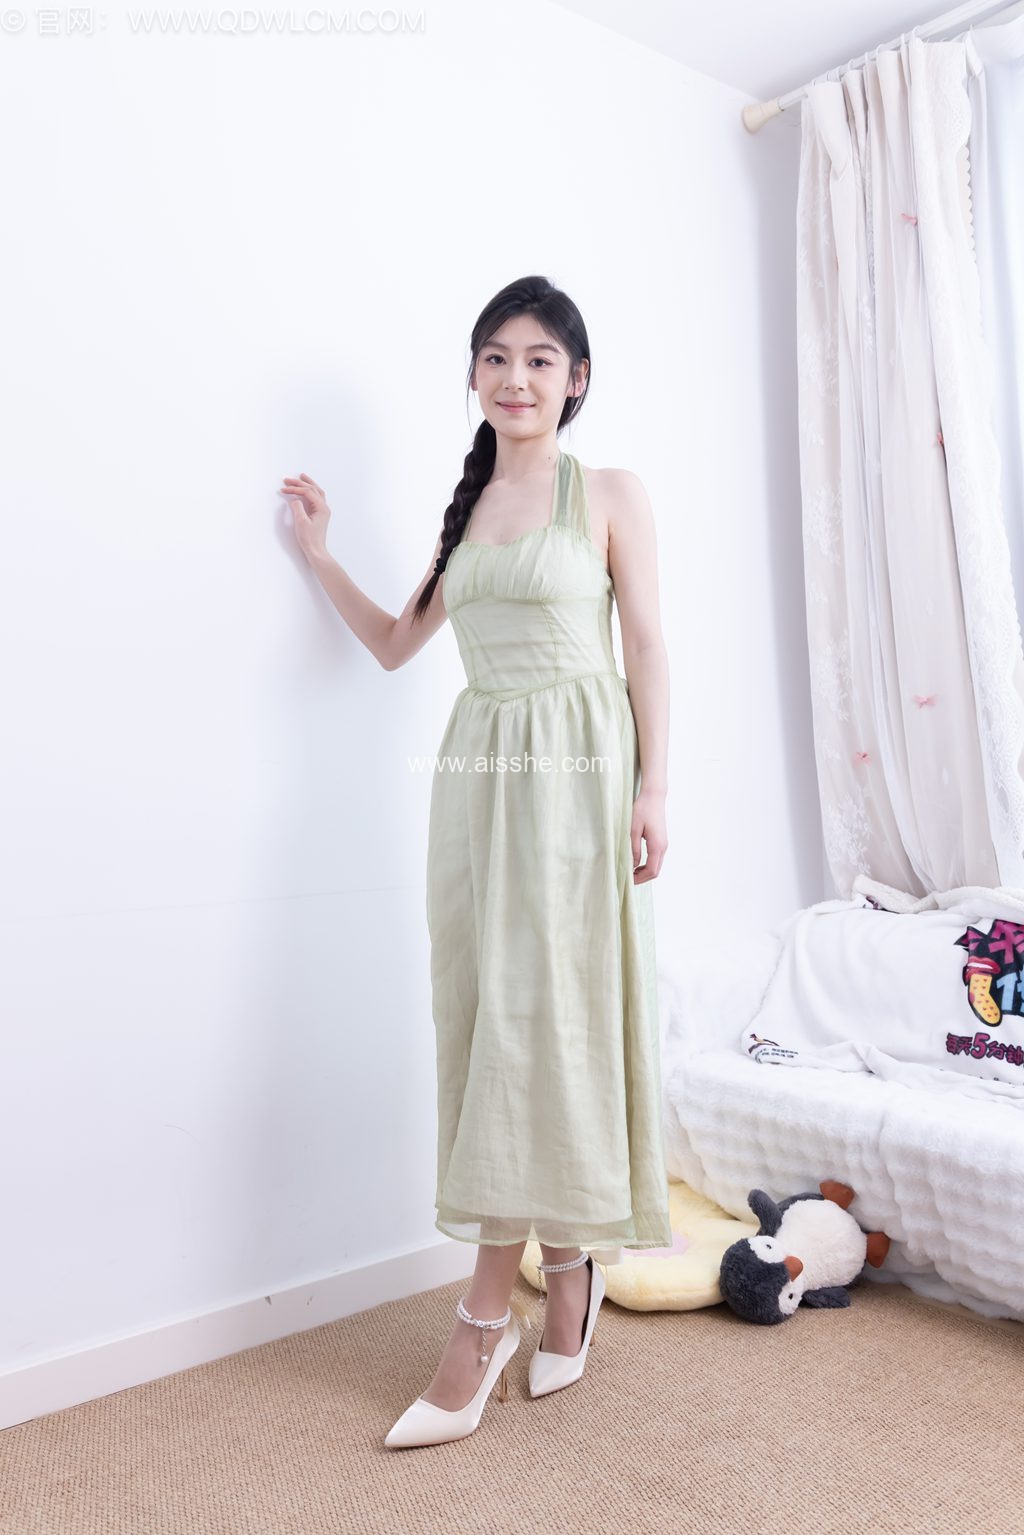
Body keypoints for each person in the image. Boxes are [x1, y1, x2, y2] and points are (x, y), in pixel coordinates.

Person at [279, 274, 671, 1449]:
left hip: (579, 776)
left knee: (546, 1025)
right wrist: (320, 556)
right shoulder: (468, 513)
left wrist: (655, 786)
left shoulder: (607, 492)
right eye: (495, 356)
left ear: (577, 378)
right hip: (482, 783)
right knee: (496, 1015)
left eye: (540, 358)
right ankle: (572, 1269)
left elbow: (647, 643)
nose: (515, 377)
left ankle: (482, 1318)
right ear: (472, 375)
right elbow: (397, 644)